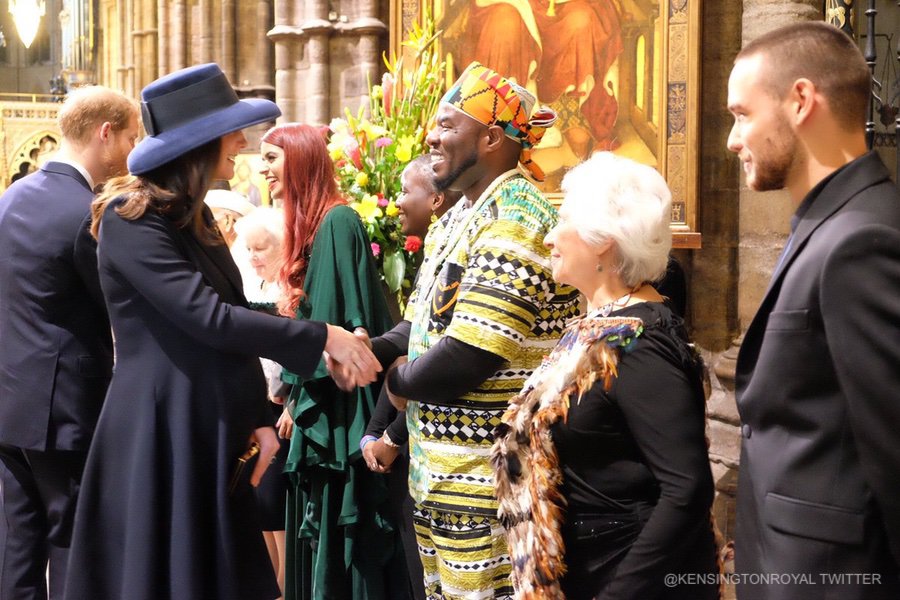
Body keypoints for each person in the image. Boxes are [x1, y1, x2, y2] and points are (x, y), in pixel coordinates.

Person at [62, 63, 380, 600]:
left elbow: (231, 315)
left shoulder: (195, 216)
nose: (241, 142)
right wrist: (324, 337)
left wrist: (257, 417)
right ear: (199, 143)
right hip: (161, 428)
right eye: (232, 131)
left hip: (209, 423)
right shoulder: (129, 217)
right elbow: (207, 317)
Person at [337, 62, 580, 599]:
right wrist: (364, 349)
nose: (431, 135)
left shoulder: (517, 215)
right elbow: (422, 324)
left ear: (492, 138)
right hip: (439, 478)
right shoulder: (458, 215)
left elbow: (471, 353)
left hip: (489, 481)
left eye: (447, 125)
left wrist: (396, 384)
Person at [491, 151, 719, 599]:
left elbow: (686, 489)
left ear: (604, 240)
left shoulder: (639, 343)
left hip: (625, 578)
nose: (550, 236)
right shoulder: (602, 323)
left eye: (564, 220)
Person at [726, 22, 900, 600]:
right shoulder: (830, 222)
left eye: (742, 114)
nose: (732, 139)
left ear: (800, 101)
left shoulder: (863, 238)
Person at [0, 85, 139, 600]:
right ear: (104, 134)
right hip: (65, 412)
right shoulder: (87, 212)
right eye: (129, 137)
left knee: (18, 544)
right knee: (74, 543)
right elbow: (118, 308)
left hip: (10, 404)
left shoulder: (11, 198)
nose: (132, 150)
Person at [258, 122, 397, 600]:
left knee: (340, 537)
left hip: (337, 413)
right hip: (320, 401)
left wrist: (299, 400)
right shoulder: (320, 226)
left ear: (300, 160)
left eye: (272, 158)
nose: (263, 168)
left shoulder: (338, 223)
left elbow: (344, 330)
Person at [361, 154, 462, 600]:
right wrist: (361, 348)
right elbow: (413, 333)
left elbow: (449, 358)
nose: (396, 203)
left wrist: (392, 433)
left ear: (437, 199)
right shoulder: (441, 239)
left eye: (406, 192)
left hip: (451, 454)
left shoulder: (460, 243)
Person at [443, 0, 623, 159]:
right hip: (507, 5)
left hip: (554, 6)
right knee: (506, 23)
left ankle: (574, 113)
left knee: (582, 18)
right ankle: (510, 123)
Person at [233, 206, 291, 598]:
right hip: (262, 412)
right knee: (264, 517)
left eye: (262, 248)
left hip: (283, 414)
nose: (254, 257)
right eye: (249, 249)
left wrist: (291, 405)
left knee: (276, 512)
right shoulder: (259, 291)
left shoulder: (288, 292)